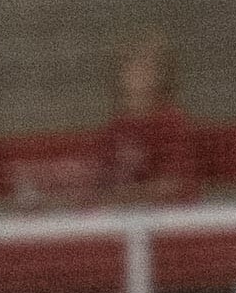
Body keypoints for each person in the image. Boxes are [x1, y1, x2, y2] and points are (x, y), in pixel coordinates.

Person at [56, 27, 196, 207]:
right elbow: (95, 174)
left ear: (163, 73)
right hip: (124, 220)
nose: (138, 73)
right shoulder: (117, 128)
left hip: (172, 221)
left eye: (147, 65)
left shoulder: (170, 123)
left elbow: (174, 184)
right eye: (129, 64)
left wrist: (117, 197)